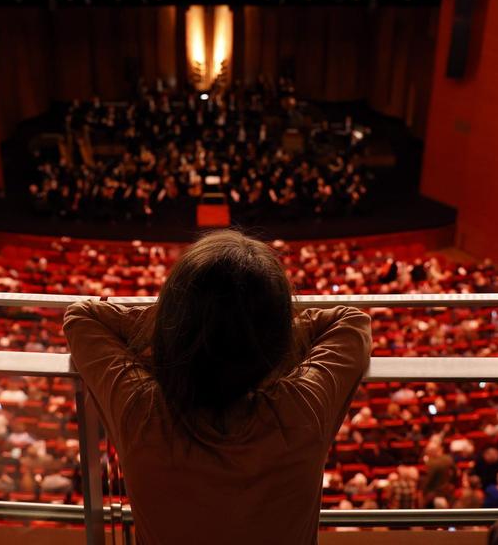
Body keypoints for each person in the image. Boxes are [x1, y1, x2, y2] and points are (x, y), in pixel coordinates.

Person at [63, 230, 371, 545]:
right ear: (274, 337)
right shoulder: (302, 409)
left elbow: (82, 316)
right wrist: (252, 332)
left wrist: (187, 327)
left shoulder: (140, 410)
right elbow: (352, 322)